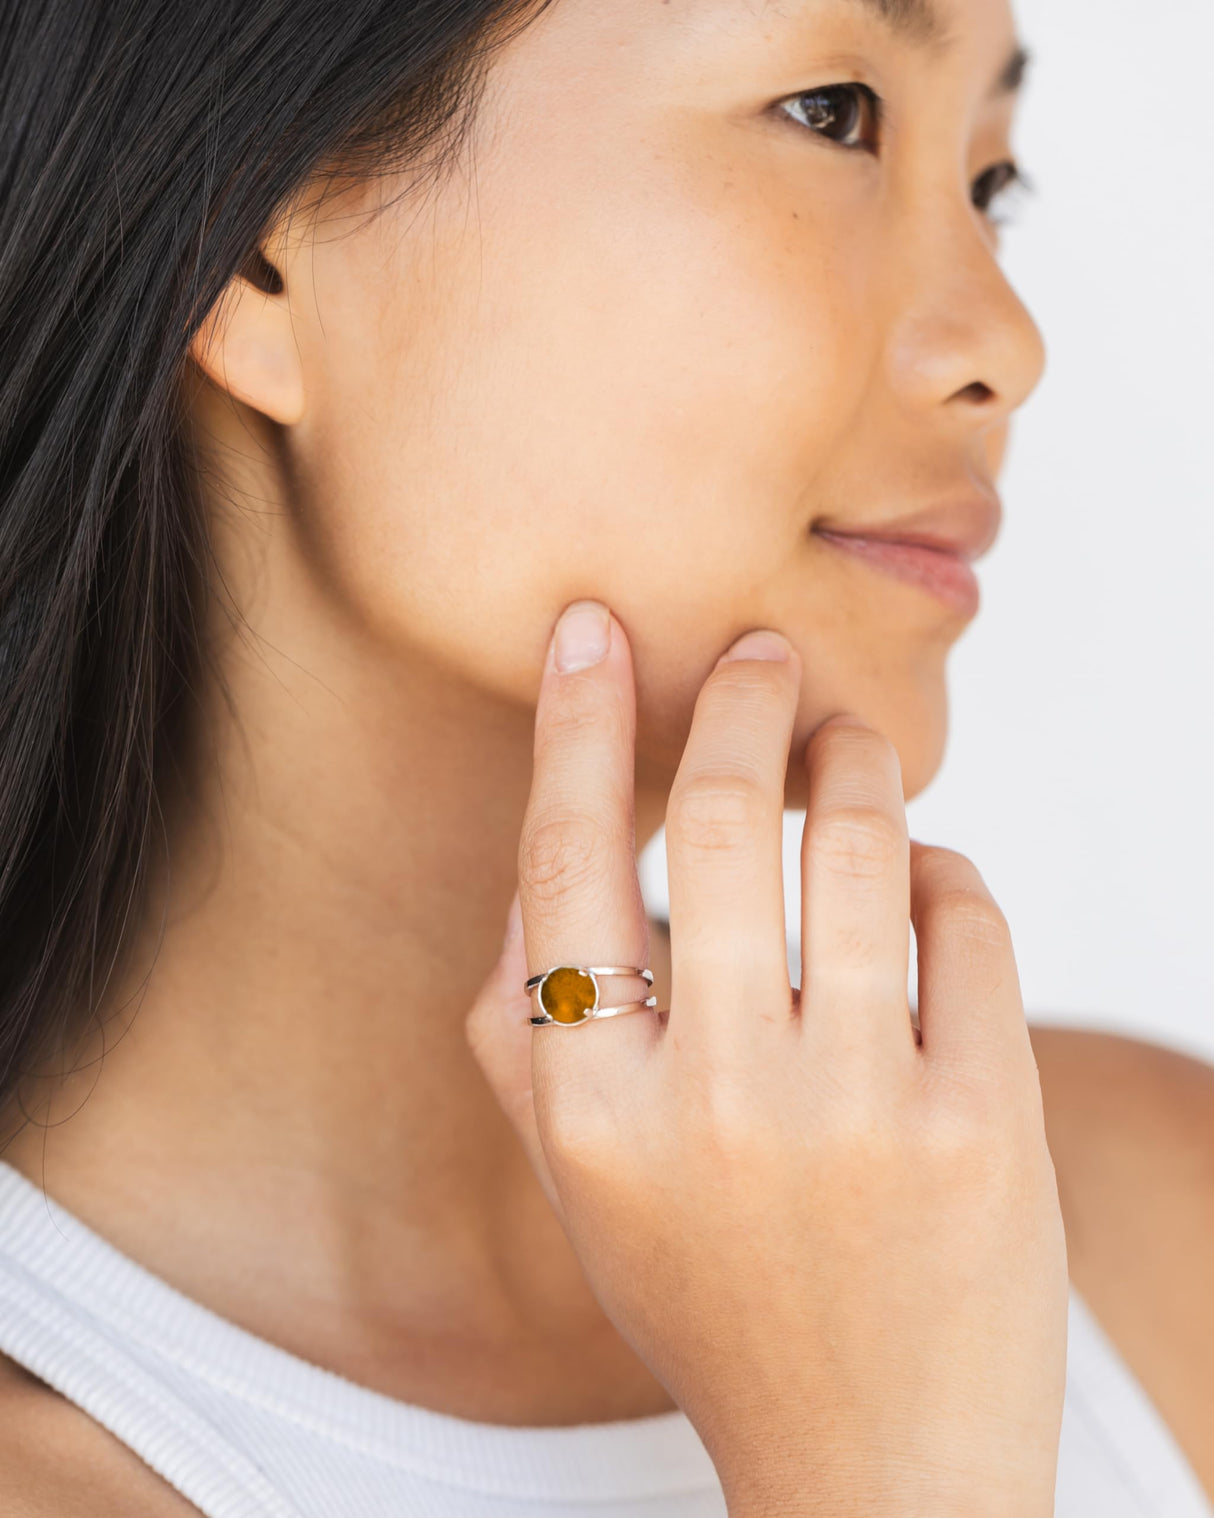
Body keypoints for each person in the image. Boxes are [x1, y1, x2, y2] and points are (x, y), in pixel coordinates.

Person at [0, 0, 1210, 1511]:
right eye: (832, 112)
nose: (1002, 347)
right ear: (258, 240)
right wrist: (888, 1466)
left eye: (989, 184)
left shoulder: (1156, 1225)